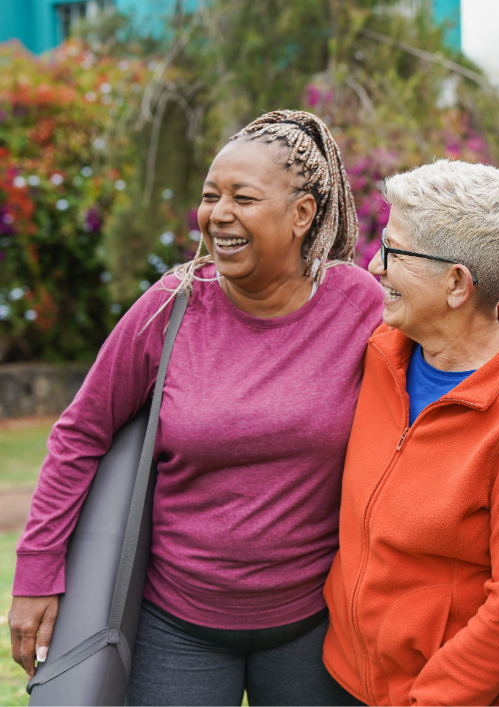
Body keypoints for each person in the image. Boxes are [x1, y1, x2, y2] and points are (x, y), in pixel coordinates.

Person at [8, 110, 383, 705]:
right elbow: (80, 433)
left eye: (243, 197)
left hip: (317, 626)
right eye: (210, 197)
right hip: (176, 627)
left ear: (303, 214)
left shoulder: (361, 307)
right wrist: (35, 576)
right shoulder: (172, 306)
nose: (218, 215)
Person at [321, 159, 499, 706]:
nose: (374, 264)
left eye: (393, 251)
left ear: (456, 283)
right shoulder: (378, 356)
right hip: (344, 680)